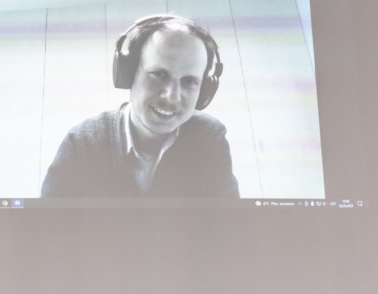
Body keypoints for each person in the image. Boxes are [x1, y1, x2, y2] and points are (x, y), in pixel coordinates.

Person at [41, 15, 239, 198]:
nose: (171, 96)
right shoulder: (82, 143)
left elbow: (229, 225)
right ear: (128, 73)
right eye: (159, 74)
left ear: (204, 90)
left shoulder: (209, 138)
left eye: (189, 81)